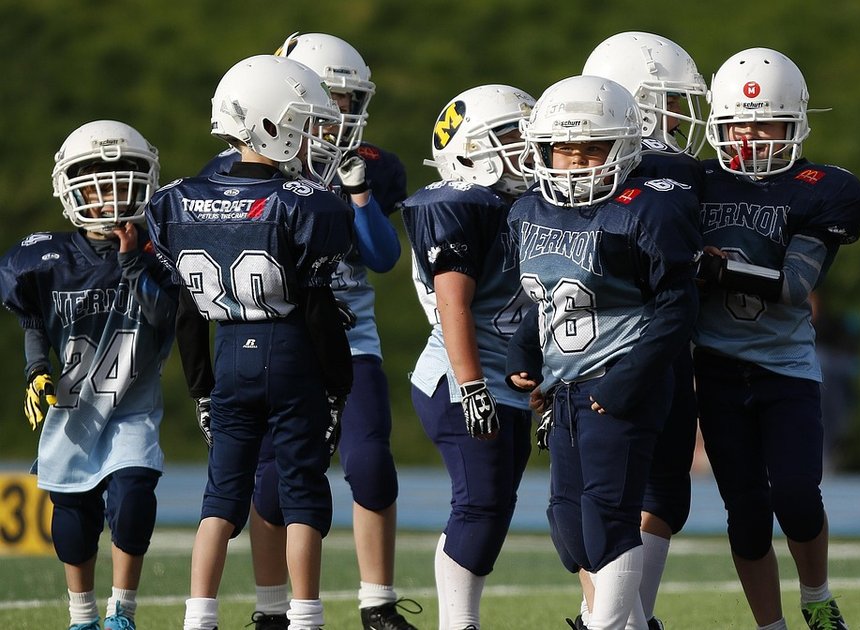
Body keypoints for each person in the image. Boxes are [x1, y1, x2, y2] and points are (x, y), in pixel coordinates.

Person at [199, 32, 416, 630]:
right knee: (270, 483)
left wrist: (358, 192)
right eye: (329, 97)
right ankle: (272, 609)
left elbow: (380, 257)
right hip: (275, 342)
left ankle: (377, 602)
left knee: (369, 463)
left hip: (351, 337)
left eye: (349, 100)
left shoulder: (367, 165)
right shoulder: (234, 170)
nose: (340, 113)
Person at [145, 54, 355, 630]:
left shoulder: (176, 201)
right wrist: (339, 385)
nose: (314, 134)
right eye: (304, 121)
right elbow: (316, 310)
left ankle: (199, 615)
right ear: (271, 122)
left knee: (221, 501)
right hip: (289, 352)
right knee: (303, 493)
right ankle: (307, 616)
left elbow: (187, 310)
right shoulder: (304, 203)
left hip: (227, 352)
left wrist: (201, 389)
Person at [506, 75, 701, 630]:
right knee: (568, 524)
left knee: (606, 516)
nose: (575, 162)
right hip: (564, 387)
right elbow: (538, 298)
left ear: (624, 148)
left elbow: (676, 310)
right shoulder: (528, 212)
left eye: (592, 148)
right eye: (564, 149)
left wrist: (627, 382)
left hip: (619, 379)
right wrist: (523, 351)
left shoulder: (644, 210)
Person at [694, 48, 860, 630]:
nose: (751, 134)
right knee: (745, 514)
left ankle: (817, 598)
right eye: (739, 122)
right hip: (715, 366)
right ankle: (770, 627)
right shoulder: (692, 185)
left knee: (796, 495)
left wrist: (715, 269)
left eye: (766, 120)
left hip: (785, 367)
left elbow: (796, 286)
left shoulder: (820, 189)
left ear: (795, 121)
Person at [0, 120, 172, 630]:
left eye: (124, 182)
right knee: (72, 523)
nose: (112, 198)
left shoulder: (159, 252)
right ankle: (82, 617)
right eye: (98, 186)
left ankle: (123, 612)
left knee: (134, 495)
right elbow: (34, 319)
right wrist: (36, 371)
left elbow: (167, 315)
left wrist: (133, 264)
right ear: (71, 190)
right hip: (74, 409)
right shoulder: (45, 260)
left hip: (133, 404)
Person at [569, 30, 708, 630]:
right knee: (621, 498)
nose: (679, 114)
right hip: (631, 343)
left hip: (584, 346)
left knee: (624, 497)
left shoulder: (573, 164)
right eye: (669, 99)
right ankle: (618, 617)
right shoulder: (672, 173)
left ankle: (617, 614)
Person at [401, 83, 538, 630]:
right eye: (509, 136)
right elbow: (453, 303)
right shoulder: (459, 204)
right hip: (462, 376)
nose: (526, 147)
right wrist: (473, 384)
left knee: (496, 509)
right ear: (469, 151)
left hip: (507, 376)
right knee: (479, 505)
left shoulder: (525, 204)